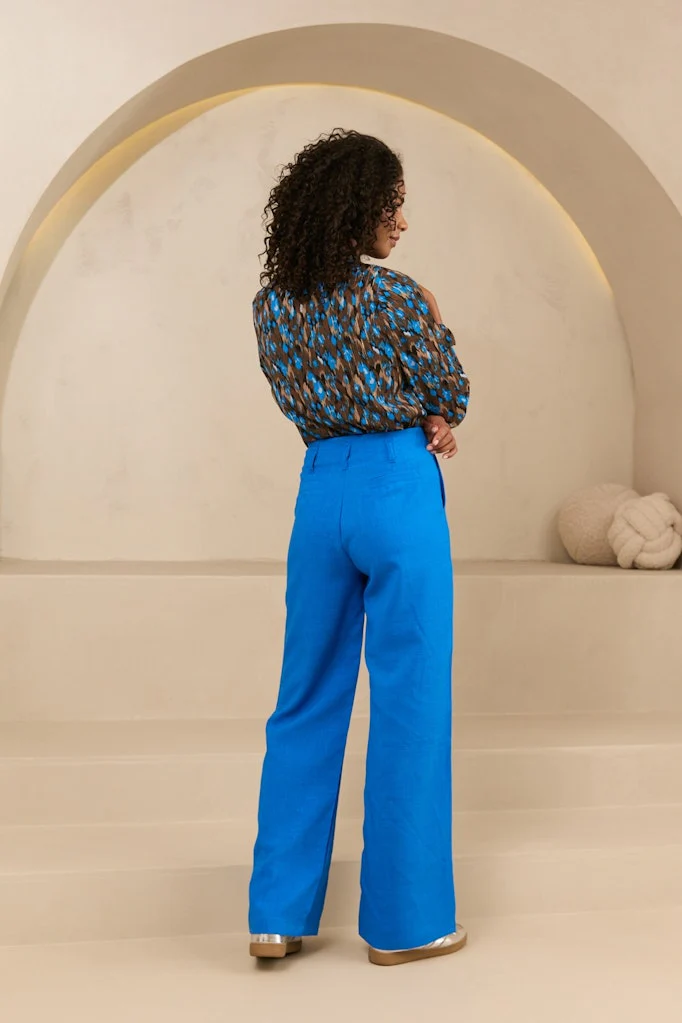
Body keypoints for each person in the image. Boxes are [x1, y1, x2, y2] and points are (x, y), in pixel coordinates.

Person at [248, 129, 470, 967]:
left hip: (320, 492)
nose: (402, 221)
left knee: (304, 696)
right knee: (411, 698)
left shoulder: (272, 305)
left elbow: (299, 394)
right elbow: (447, 392)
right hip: (396, 487)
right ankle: (408, 924)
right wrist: (435, 348)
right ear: (356, 208)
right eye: (392, 205)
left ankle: (275, 915)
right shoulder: (402, 297)